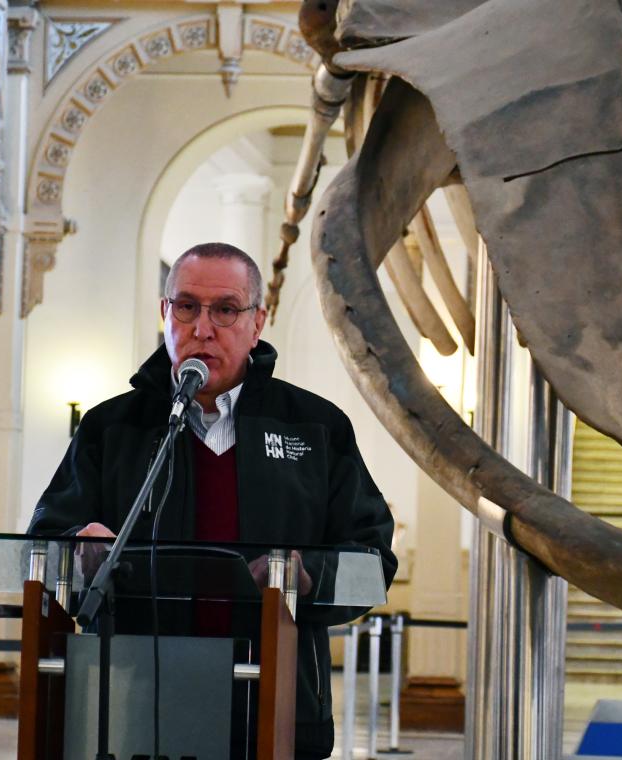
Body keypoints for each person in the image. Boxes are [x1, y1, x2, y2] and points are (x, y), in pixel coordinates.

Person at [28, 242, 397, 759]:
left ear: (257, 322)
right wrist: (75, 546)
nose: (203, 327)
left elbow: (372, 557)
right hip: (134, 702)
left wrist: (306, 574)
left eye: (225, 309)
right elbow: (43, 543)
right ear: (165, 313)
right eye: (186, 307)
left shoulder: (315, 427)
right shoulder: (112, 427)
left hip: (274, 701)